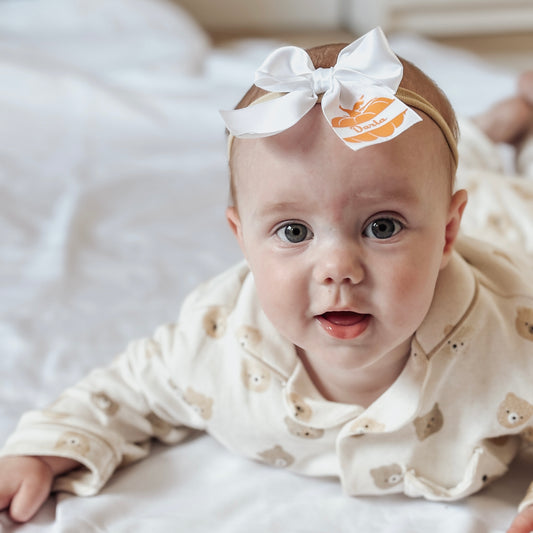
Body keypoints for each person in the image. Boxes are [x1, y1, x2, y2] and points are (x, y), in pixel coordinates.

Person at [1, 27, 533, 533]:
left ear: (444, 235)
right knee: (443, 169)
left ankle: (503, 130)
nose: (338, 268)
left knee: (498, 185)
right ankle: (500, 122)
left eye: (382, 226)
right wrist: (43, 451)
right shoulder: (219, 340)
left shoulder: (511, 338)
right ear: (242, 237)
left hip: (504, 225)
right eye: (294, 230)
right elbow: (129, 388)